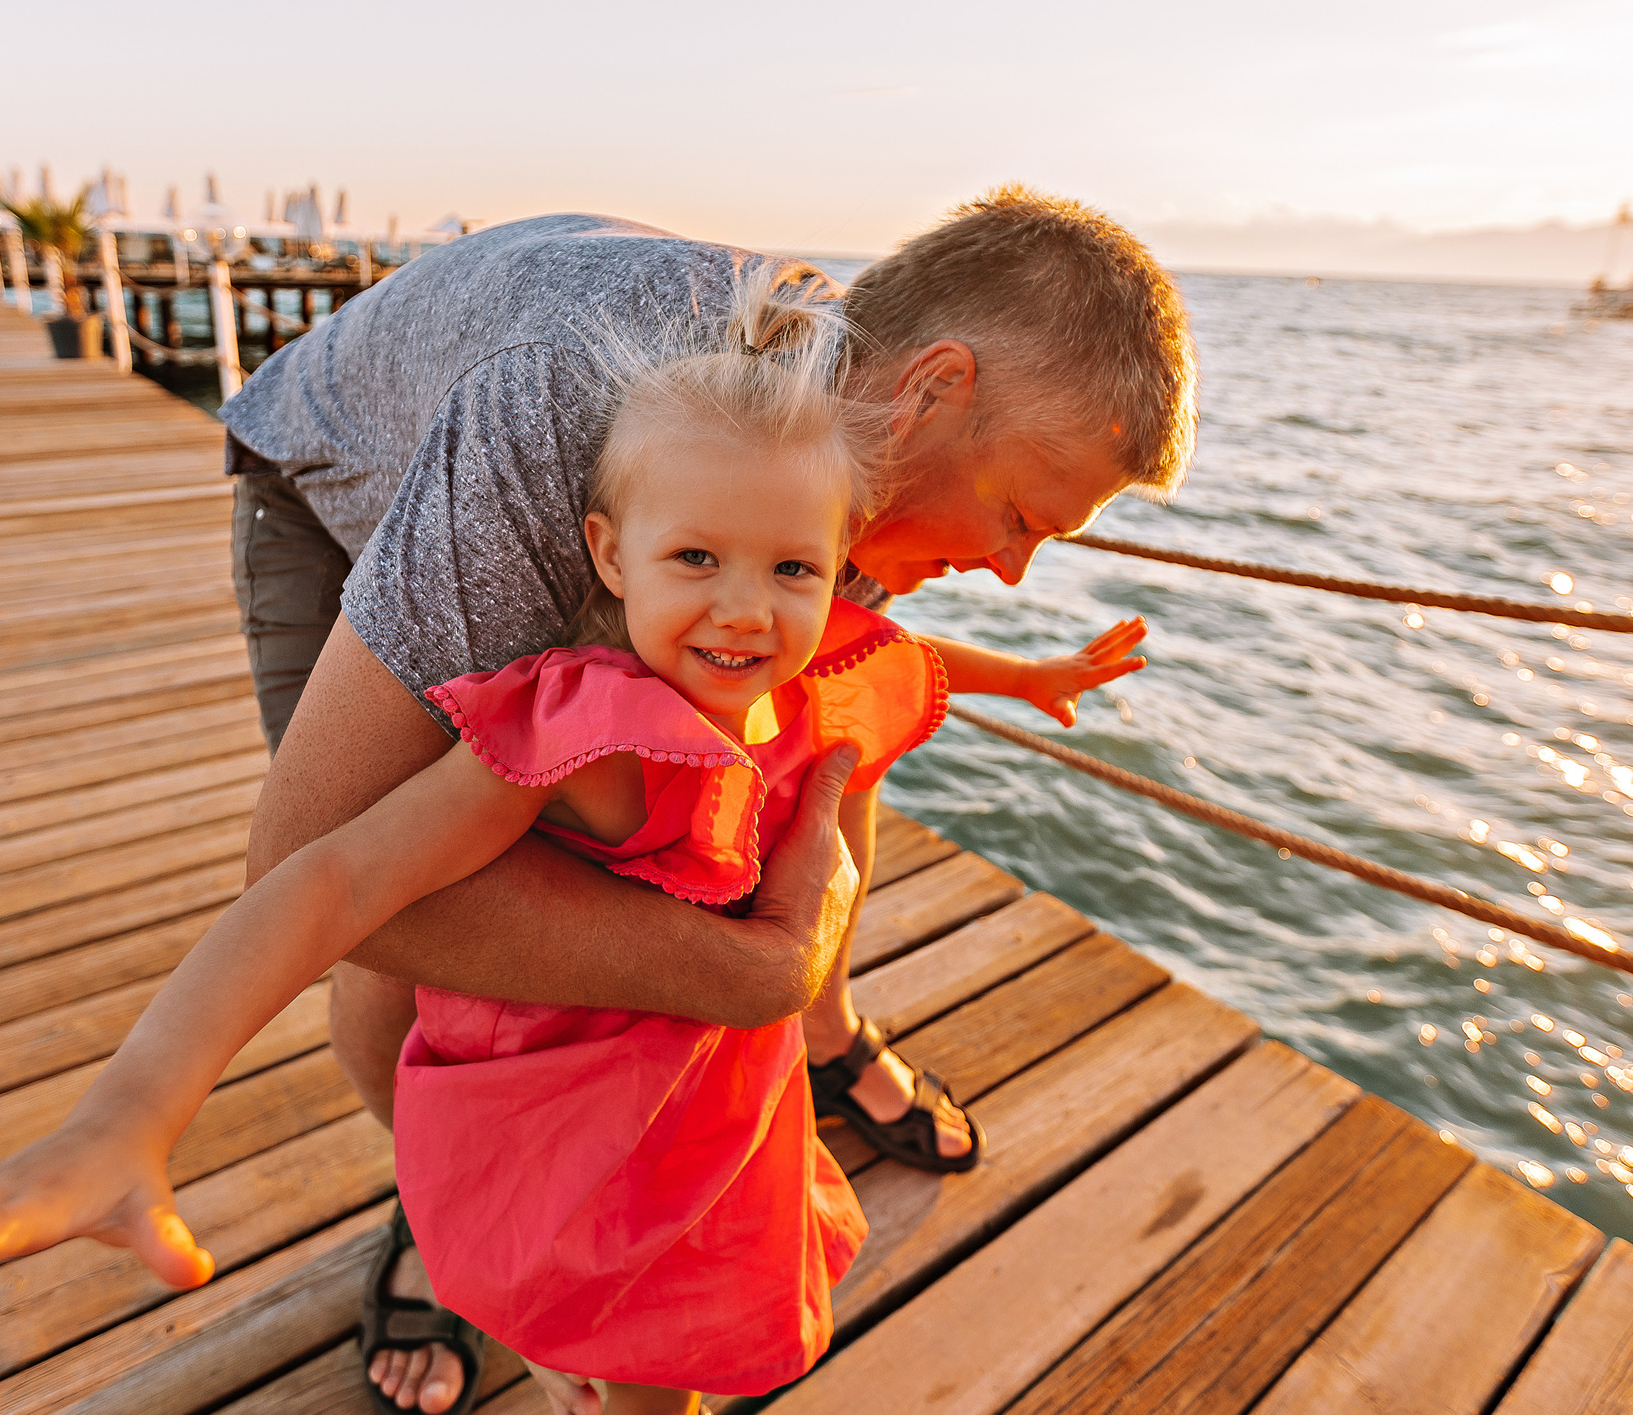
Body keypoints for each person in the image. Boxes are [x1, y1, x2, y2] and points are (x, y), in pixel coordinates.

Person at [0, 268, 950, 1415]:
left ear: (836, 561)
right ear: (607, 554)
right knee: (605, 1311)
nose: (747, 610)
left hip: (717, 1133)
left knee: (675, 1358)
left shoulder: (790, 666)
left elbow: (866, 651)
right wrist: (134, 1110)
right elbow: (334, 877)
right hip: (578, 1115)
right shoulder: (585, 735)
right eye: (695, 560)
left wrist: (1022, 672)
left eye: (791, 568)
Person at [221, 190, 1194, 1412]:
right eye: (1015, 518)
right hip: (342, 482)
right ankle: (439, 1205)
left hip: (576, 443)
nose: (1007, 570)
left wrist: (811, 1000)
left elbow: (832, 750)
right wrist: (743, 978)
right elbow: (319, 877)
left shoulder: (834, 460)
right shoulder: (561, 398)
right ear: (933, 387)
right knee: (416, 909)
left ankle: (838, 1045)